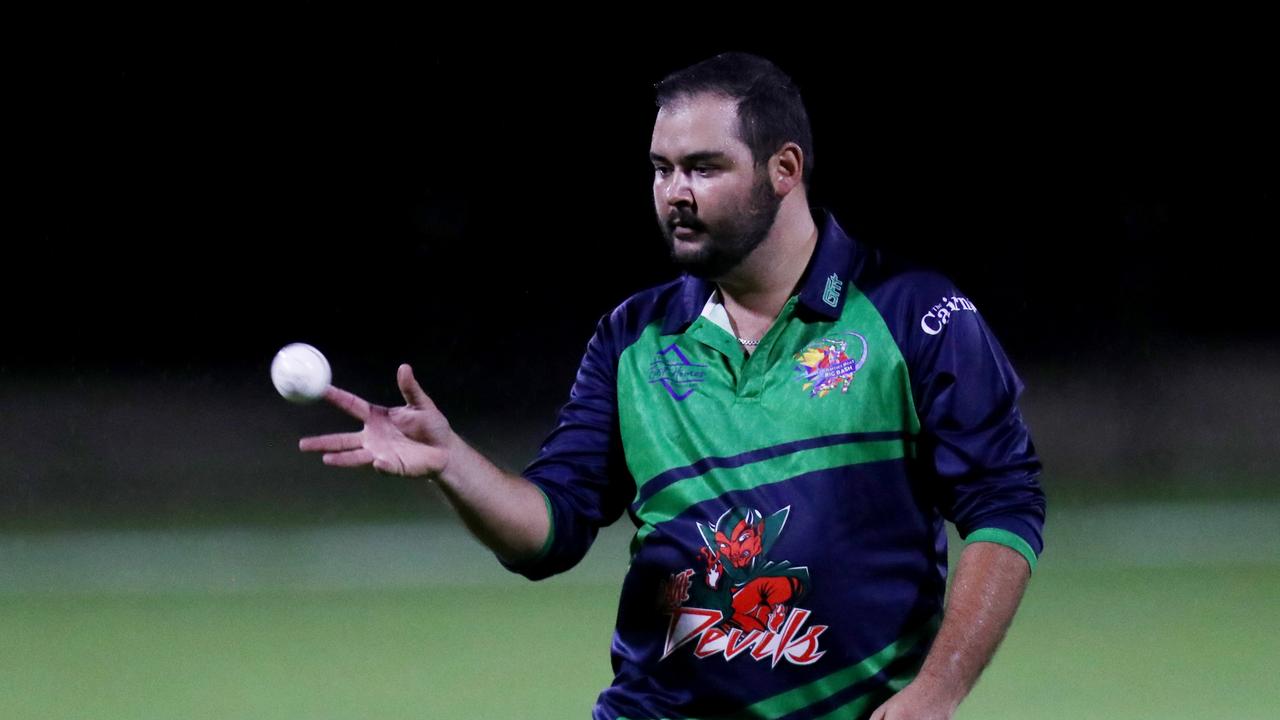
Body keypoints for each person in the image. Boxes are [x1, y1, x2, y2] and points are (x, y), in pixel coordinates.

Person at [299, 52, 1045, 720]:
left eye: (703, 168)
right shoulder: (633, 338)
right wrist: (451, 462)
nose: (674, 193)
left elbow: (1003, 504)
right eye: (660, 169)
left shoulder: (913, 314)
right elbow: (548, 533)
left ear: (784, 169)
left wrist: (936, 694)